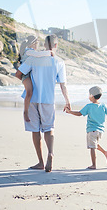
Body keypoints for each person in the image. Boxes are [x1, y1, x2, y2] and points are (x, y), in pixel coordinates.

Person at [15, 34, 71, 172]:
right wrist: (67, 101)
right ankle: (50, 153)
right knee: (48, 128)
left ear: (44, 46)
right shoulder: (59, 62)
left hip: (33, 99)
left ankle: (40, 162)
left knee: (35, 130)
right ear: (56, 45)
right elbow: (63, 85)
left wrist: (27, 83)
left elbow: (19, 73)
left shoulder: (34, 58)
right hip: (48, 99)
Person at [65, 86, 107, 169]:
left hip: (92, 130)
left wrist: (69, 112)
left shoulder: (89, 106)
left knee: (92, 148)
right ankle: (105, 152)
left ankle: (93, 165)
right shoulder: (103, 106)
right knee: (95, 144)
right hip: (100, 131)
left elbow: (79, 113)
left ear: (91, 95)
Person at [18, 35, 53, 107]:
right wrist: (50, 52)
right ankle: (26, 110)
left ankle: (33, 106)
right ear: (33, 43)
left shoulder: (31, 51)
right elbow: (38, 55)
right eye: (37, 43)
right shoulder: (28, 51)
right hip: (26, 74)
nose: (38, 45)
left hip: (30, 74)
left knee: (32, 91)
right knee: (29, 92)